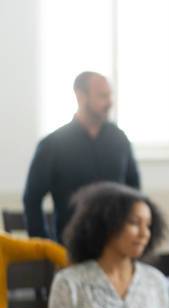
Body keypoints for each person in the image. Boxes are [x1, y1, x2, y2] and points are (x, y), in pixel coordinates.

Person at [23, 71, 140, 242]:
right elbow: (31, 198)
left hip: (116, 246)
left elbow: (134, 190)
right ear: (80, 96)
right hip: (71, 248)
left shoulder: (120, 139)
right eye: (102, 96)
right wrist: (44, 246)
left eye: (110, 95)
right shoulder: (53, 144)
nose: (109, 102)